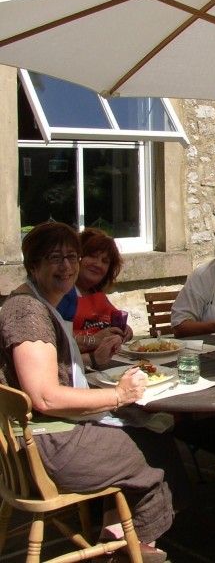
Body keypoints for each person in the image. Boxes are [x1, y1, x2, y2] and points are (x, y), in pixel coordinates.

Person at [0, 222, 188, 563]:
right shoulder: (27, 311)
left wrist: (91, 357)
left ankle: (116, 533)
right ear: (33, 264)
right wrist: (118, 395)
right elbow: (45, 396)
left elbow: (51, 371)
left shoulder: (40, 302)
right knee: (156, 449)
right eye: (54, 258)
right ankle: (130, 546)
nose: (67, 267)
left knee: (151, 425)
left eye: (72, 256)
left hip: (39, 436)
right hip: (47, 446)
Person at [56, 227, 133, 364]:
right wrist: (94, 339)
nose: (98, 264)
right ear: (76, 258)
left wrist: (126, 331)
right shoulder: (61, 294)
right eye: (92, 256)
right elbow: (58, 339)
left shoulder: (97, 295)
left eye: (105, 261)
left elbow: (117, 323)